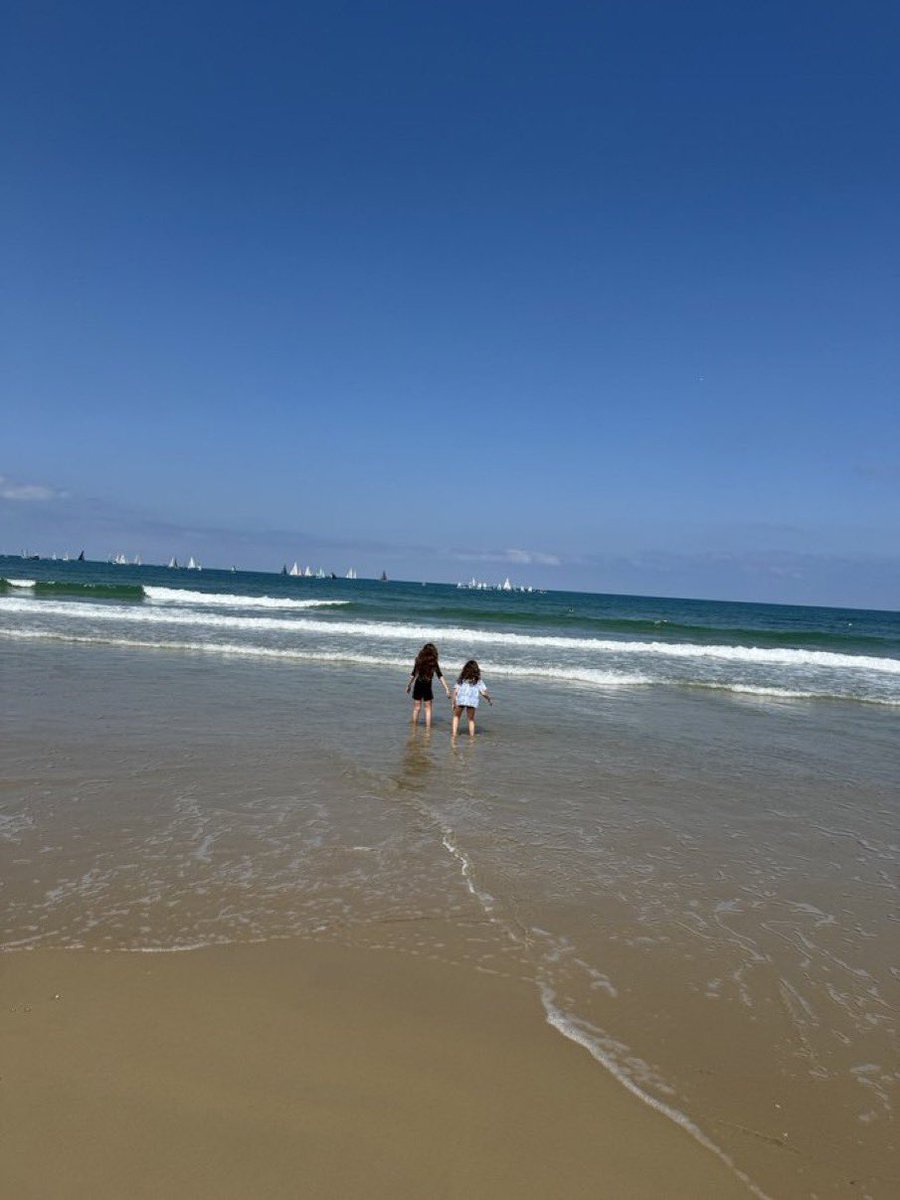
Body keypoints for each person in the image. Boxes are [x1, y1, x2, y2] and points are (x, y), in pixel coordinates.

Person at [406, 642, 451, 728]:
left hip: (418, 684)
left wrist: (409, 685)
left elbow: (413, 674)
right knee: (428, 709)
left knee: (416, 708)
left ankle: (414, 727)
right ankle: (428, 729)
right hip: (427, 685)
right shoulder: (433, 662)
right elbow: (440, 676)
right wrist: (447, 688)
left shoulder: (418, 660)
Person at [451, 659, 493, 738]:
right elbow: (484, 692)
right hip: (471, 702)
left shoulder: (461, 679)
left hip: (461, 700)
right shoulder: (478, 680)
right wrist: (488, 699)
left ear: (465, 669)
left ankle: (454, 734)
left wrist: (453, 702)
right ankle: (472, 737)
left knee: (456, 717)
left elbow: (455, 691)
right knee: (471, 719)